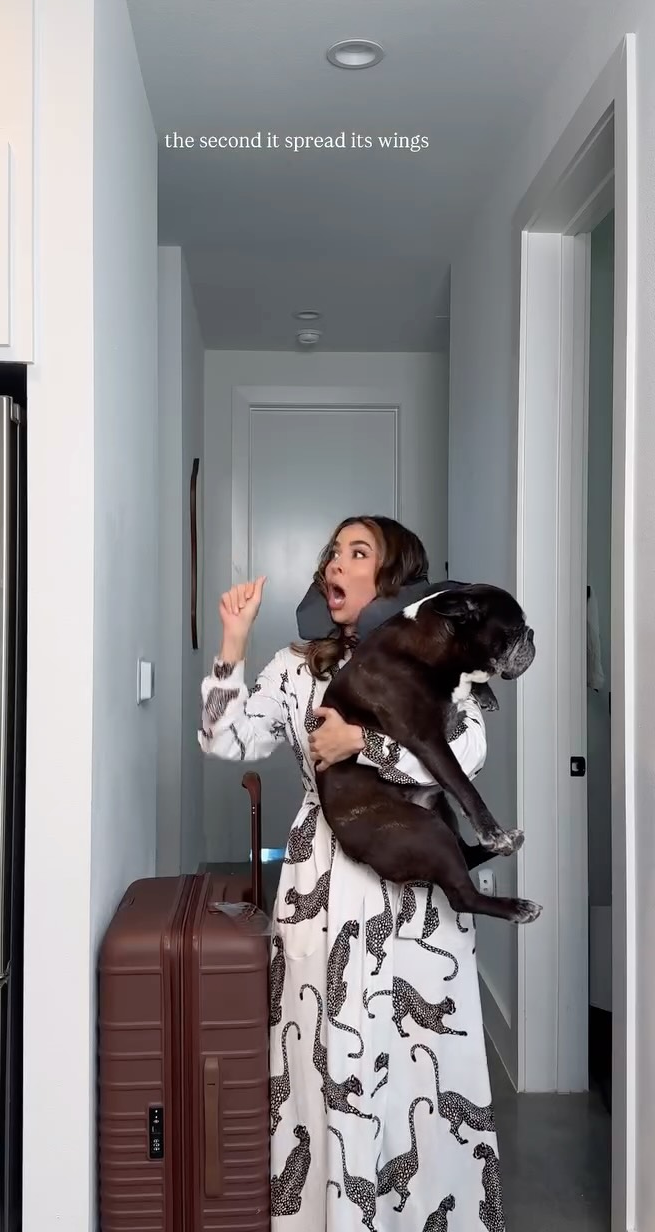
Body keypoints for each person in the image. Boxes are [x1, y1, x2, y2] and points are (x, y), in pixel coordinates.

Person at [198, 516, 505, 1232]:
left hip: (414, 900)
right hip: (322, 888)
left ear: (391, 579)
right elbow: (225, 739)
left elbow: (469, 755)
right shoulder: (296, 667)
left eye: (357, 552)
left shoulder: (438, 667)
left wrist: (360, 741)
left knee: (421, 1069)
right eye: (333, 551)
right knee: (321, 1071)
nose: (336, 562)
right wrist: (232, 644)